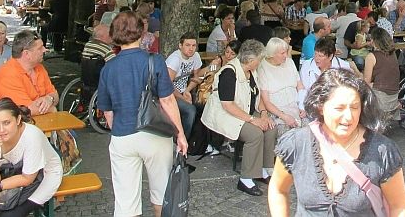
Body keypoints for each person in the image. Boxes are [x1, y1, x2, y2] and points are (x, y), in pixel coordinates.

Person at [268, 68, 405, 216]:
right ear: (321, 107)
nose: (348, 117)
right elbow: (278, 189)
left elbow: (399, 206)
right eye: (339, 108)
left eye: (354, 107)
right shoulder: (296, 144)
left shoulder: (382, 151)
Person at [97, 11, 187, 217]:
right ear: (140, 31)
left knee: (126, 203)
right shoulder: (154, 61)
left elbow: (107, 111)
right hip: (154, 133)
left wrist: (119, 130)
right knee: (161, 195)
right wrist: (180, 133)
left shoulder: (108, 68)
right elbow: (167, 100)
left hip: (123, 135)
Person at [201, 39, 278, 196]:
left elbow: (258, 95)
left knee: (270, 127)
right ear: (250, 60)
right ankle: (246, 179)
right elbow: (227, 105)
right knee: (254, 134)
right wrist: (253, 120)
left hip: (245, 110)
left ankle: (264, 169)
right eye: (259, 59)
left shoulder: (251, 71)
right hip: (226, 114)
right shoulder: (229, 73)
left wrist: (263, 114)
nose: (260, 62)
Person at [0, 97, 63, 217]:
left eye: (7, 123)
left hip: (41, 176)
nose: (1, 130)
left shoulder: (32, 136)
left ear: (18, 120)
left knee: (10, 215)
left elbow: (27, 179)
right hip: (10, 175)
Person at [0, 31, 58, 114]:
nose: (45, 50)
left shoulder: (39, 67)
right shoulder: (9, 75)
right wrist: (52, 108)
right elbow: (27, 111)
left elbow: (55, 96)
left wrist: (49, 98)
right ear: (26, 54)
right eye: (40, 48)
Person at [256, 38, 305, 135]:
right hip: (278, 112)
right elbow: (266, 102)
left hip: (297, 107)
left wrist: (302, 106)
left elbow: (300, 87)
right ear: (272, 54)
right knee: (290, 134)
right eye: (282, 53)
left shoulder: (290, 62)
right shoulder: (262, 68)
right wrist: (284, 116)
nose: (286, 56)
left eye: (286, 52)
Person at [362, 27, 401, 124]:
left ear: (375, 41)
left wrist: (354, 69)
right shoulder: (393, 53)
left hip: (381, 100)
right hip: (393, 97)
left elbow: (365, 82)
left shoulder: (371, 56)